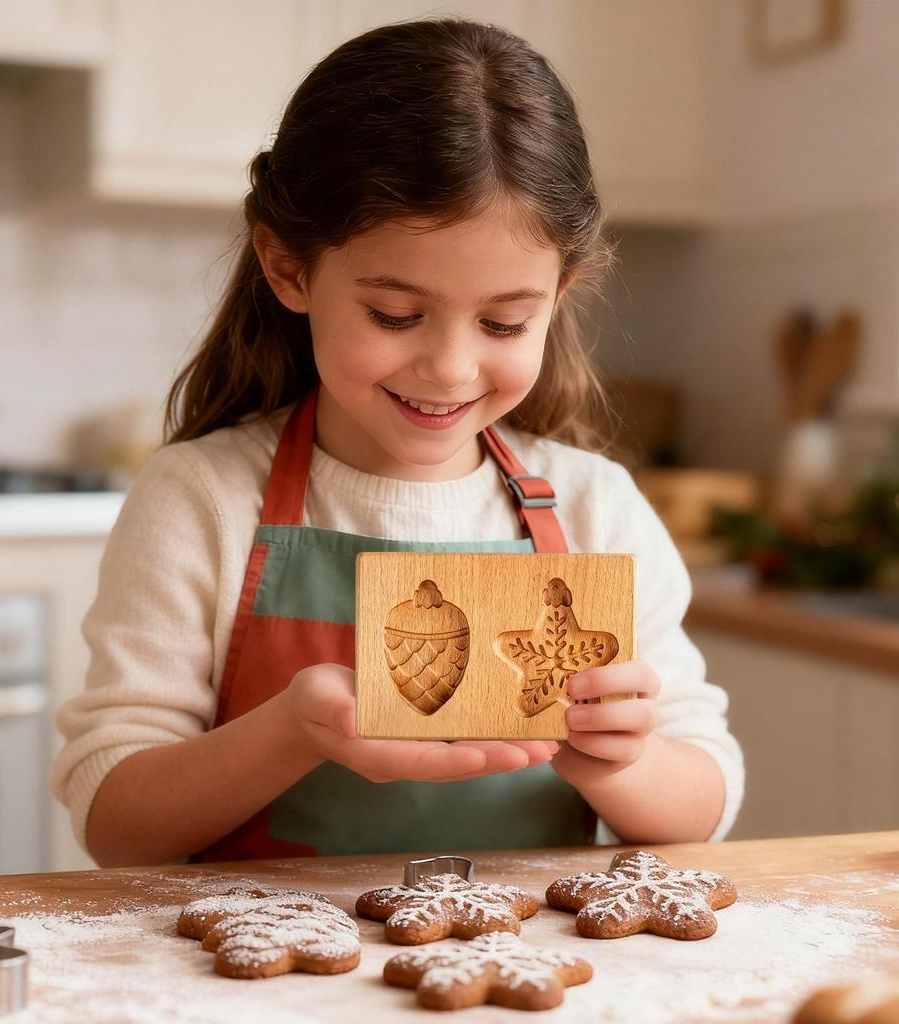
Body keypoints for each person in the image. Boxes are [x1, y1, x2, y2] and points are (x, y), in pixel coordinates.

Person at [51, 18, 743, 867]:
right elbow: (116, 825)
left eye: (504, 321)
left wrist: (621, 761)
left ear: (558, 295)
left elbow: (703, 806)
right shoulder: (202, 499)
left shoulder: (597, 508)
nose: (451, 369)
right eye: (395, 315)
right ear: (288, 269)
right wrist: (292, 732)